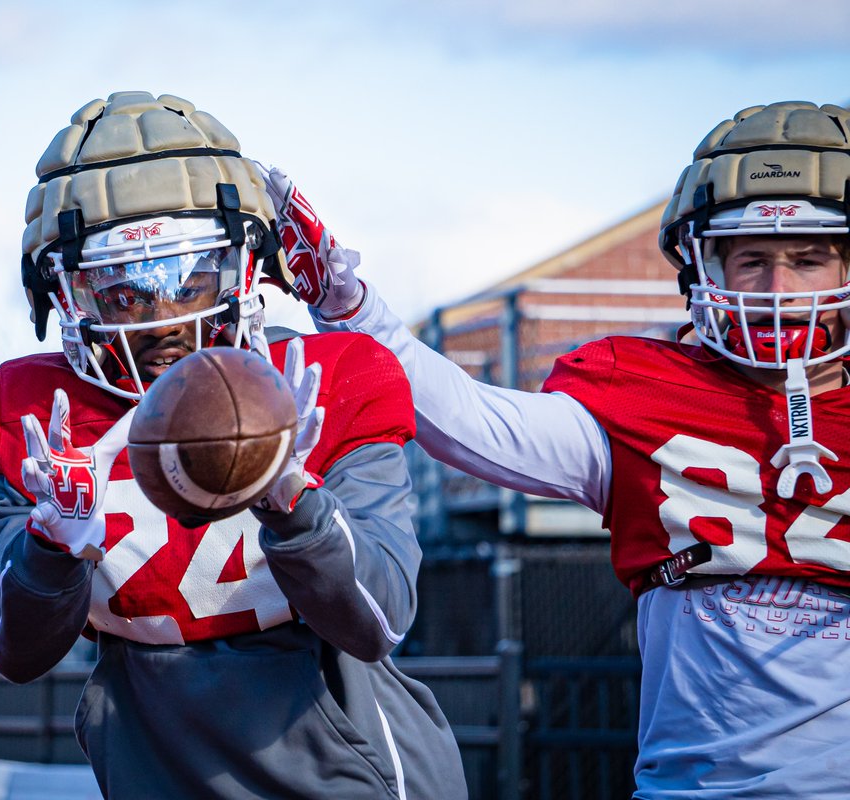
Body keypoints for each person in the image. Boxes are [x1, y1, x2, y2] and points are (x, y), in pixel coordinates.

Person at [266, 100, 850, 798]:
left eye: (808, 258)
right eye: (751, 259)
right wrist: (350, 304)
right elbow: (472, 421)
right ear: (705, 270)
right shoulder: (640, 392)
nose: (778, 290)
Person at [0, 91, 466, 800]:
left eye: (188, 273)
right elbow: (9, 652)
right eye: (121, 289)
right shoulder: (36, 418)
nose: (164, 316)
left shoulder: (326, 381)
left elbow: (380, 617)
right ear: (64, 293)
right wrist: (49, 549)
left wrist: (294, 501)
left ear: (246, 265)